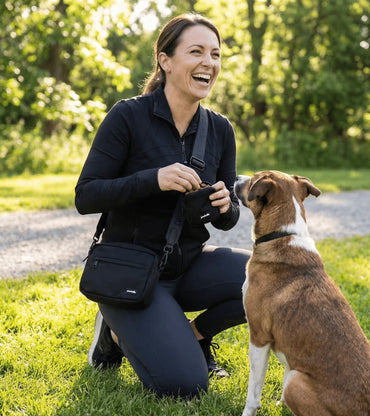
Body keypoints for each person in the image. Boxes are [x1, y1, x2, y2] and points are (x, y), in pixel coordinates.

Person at [75, 13, 250, 399]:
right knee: (184, 386)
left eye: (216, 54)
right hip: (129, 270)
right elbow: (86, 195)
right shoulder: (128, 116)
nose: (210, 62)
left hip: (186, 264)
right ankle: (114, 333)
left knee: (271, 279)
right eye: (197, 51)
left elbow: (228, 219)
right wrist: (152, 179)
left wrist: (225, 205)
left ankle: (193, 336)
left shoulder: (220, 129)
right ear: (165, 60)